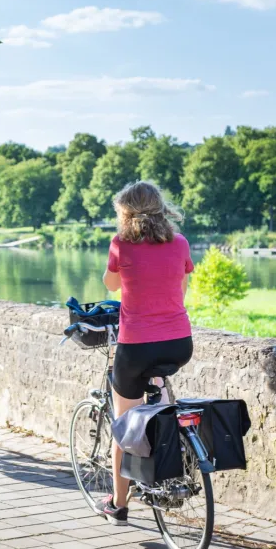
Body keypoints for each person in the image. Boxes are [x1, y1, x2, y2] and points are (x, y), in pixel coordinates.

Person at [95, 181, 195, 525]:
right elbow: (181, 289)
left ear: (126, 213)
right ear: (161, 208)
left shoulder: (121, 243)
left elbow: (110, 284)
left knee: (124, 424)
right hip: (179, 343)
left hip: (136, 344)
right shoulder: (180, 243)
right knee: (159, 402)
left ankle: (118, 504)